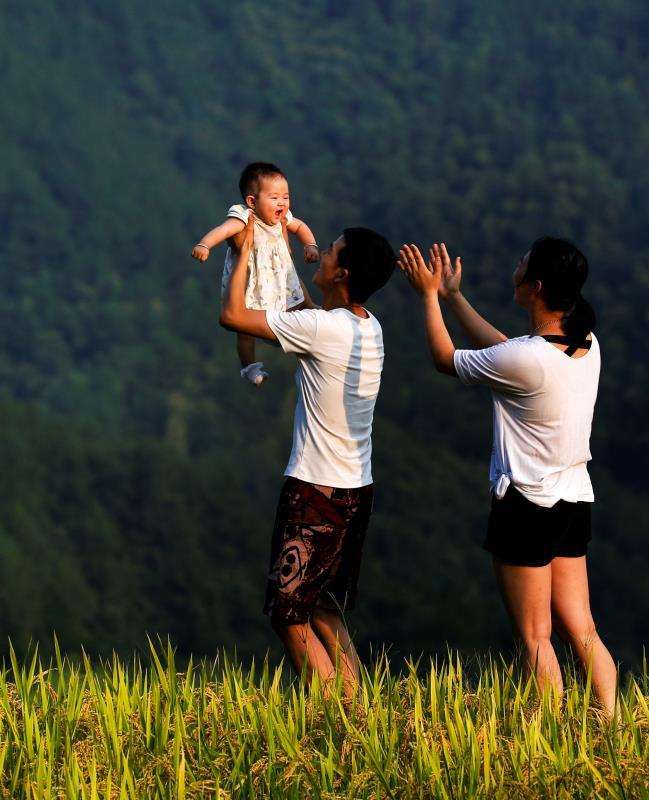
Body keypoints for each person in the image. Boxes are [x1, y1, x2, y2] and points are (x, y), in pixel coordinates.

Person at [398, 237, 618, 717]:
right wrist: (456, 297)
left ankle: (548, 742)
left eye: (520, 262)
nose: (513, 266)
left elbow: (445, 358)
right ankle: (613, 726)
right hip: (575, 498)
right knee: (581, 628)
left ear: (534, 286)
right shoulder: (585, 343)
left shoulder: (526, 359)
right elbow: (510, 352)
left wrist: (429, 296)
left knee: (535, 637)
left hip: (526, 506)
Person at [220, 215, 396, 696]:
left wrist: (240, 256)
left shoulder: (321, 329)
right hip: (355, 490)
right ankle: (360, 714)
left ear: (343, 274)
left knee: (287, 612)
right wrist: (274, 249)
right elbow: (304, 309)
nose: (321, 252)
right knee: (324, 609)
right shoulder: (367, 326)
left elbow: (233, 316)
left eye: (332, 250)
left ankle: (332, 714)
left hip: (315, 491)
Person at [192, 162, 319, 384]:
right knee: (245, 331)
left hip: (279, 278)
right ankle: (249, 367)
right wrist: (205, 244)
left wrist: (310, 245)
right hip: (250, 282)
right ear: (252, 201)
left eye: (286, 197)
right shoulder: (243, 216)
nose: (282, 202)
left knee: (299, 302)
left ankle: (314, 321)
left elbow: (300, 227)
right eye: (274, 197)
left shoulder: (283, 218)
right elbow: (224, 230)